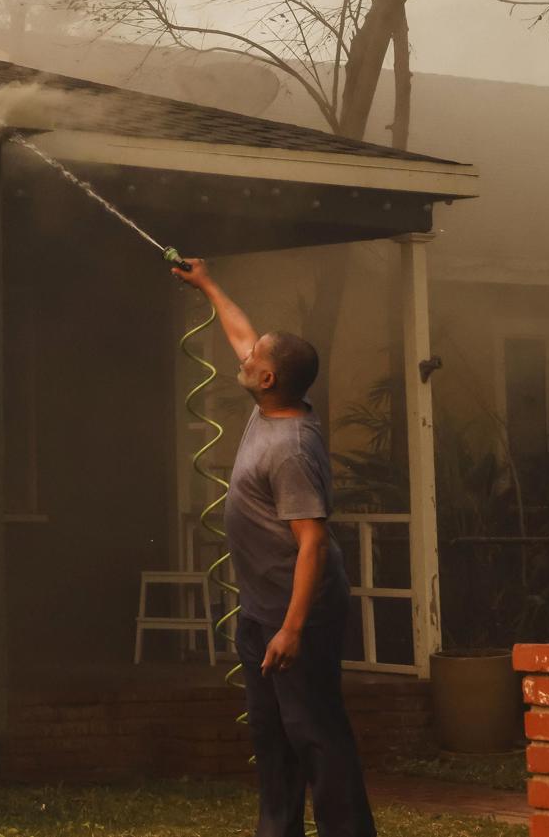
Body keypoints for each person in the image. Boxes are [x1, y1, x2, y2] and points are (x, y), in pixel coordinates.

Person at [172, 257, 375, 837]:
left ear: (268, 380)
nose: (246, 354)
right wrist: (208, 283)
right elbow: (240, 334)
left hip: (298, 614)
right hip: (263, 610)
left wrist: (291, 627)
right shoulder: (269, 403)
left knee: (316, 733)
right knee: (272, 733)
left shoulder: (288, 448)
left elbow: (311, 543)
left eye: (257, 357)